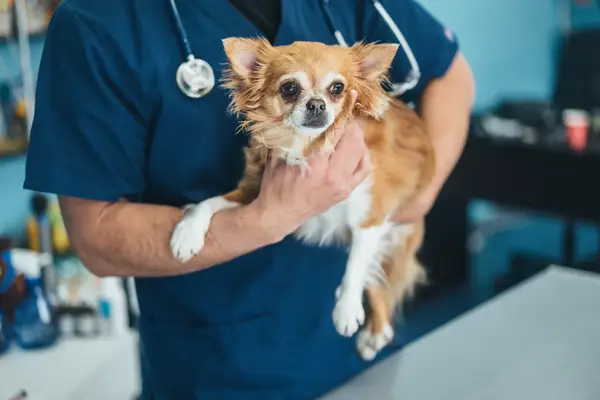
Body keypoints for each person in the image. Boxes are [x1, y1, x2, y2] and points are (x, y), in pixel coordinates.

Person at [24, 0, 474, 398]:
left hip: (360, 353)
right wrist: (267, 218)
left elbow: (450, 74)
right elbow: (96, 234)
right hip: (220, 371)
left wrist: (415, 196)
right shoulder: (97, 24)